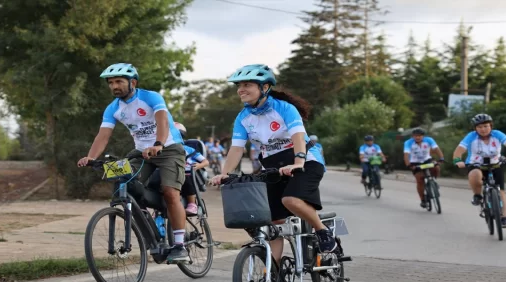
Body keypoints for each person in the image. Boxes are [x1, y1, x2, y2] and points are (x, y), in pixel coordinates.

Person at [209, 64, 337, 267]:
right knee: (271, 221)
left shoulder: (284, 108)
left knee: (291, 200)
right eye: (239, 85)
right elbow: (236, 149)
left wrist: (298, 162)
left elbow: (297, 136)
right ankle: (271, 275)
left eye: (247, 85)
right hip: (273, 168)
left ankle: (322, 231)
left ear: (265, 87)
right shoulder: (243, 118)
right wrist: (224, 174)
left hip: (306, 161)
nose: (240, 89)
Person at [77, 63, 189, 261]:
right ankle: (150, 232)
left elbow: (162, 121)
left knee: (171, 192)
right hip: (140, 152)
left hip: (169, 148)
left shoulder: (150, 97)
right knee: (123, 182)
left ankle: (180, 245)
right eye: (111, 83)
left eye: (119, 81)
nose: (114, 86)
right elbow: (102, 136)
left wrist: (158, 143)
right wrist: (91, 157)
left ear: (133, 82)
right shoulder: (113, 109)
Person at [452, 113, 506, 228]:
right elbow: (459, 150)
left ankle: (503, 218)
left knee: (501, 191)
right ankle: (477, 195)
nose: (483, 129)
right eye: (479, 127)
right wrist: (457, 160)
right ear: (475, 128)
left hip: (495, 165)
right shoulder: (471, 136)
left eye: (486, 126)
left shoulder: (497, 134)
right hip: (476, 165)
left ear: (491, 126)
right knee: (475, 175)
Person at [174, 122, 209, 216]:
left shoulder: (189, 150)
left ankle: (192, 204)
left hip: (187, 174)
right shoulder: (164, 150)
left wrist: (198, 166)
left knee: (186, 178)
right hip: (172, 174)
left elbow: (205, 162)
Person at [403, 128, 445, 208]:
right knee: (419, 180)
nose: (417, 137)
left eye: (419, 136)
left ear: (423, 136)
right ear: (412, 136)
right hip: (415, 162)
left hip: (427, 160)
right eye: (415, 136)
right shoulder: (408, 143)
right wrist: (409, 165)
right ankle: (423, 200)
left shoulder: (429, 140)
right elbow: (406, 155)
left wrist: (441, 158)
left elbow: (436, 149)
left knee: (436, 168)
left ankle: (433, 181)